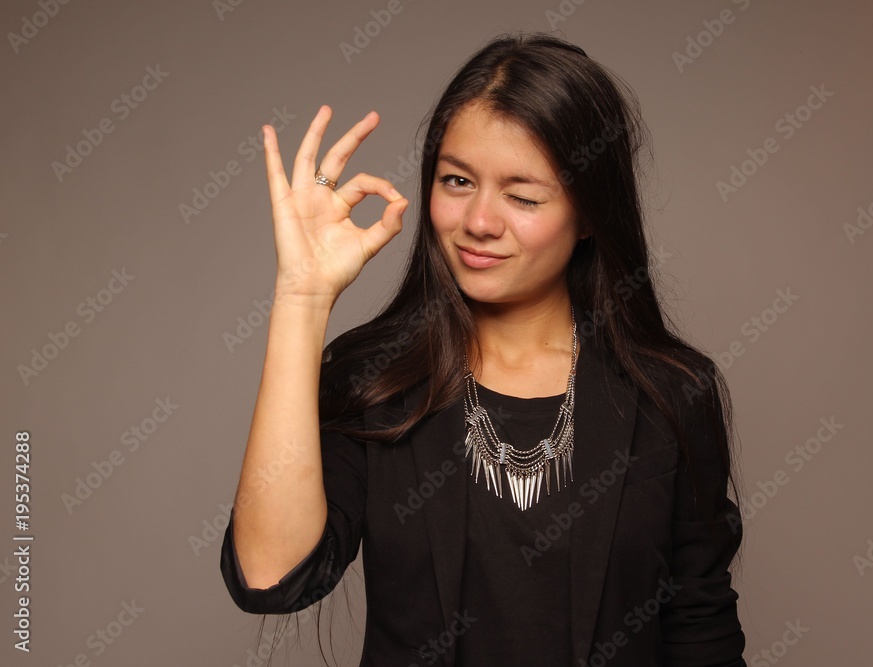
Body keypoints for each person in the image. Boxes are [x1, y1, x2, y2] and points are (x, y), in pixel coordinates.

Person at [219, 31, 748, 667]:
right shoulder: (375, 381)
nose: (478, 222)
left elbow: (701, 632)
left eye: (522, 196)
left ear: (589, 214)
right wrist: (301, 298)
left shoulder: (670, 394)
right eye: (457, 181)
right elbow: (271, 577)